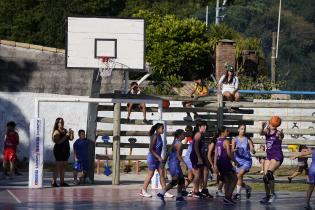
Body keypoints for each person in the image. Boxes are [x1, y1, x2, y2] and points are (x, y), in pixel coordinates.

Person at [259, 119, 284, 204]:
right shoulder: (267, 131)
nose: (269, 125)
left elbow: (281, 136)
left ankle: (273, 194)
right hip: (269, 156)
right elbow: (261, 133)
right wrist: (262, 127)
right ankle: (267, 196)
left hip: (277, 155)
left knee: (269, 174)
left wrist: (281, 134)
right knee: (265, 177)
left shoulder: (278, 132)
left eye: (270, 123)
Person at [140, 123, 166, 201]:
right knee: (150, 175)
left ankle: (164, 191)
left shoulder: (160, 136)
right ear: (158, 129)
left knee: (162, 174)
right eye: (162, 128)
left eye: (163, 128)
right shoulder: (155, 136)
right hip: (152, 158)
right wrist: (159, 157)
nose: (163, 129)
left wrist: (159, 158)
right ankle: (143, 191)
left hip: (158, 158)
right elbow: (151, 149)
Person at [213, 126, 237, 205]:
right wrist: (235, 161)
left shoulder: (218, 140)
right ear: (223, 132)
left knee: (227, 180)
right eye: (227, 131)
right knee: (234, 178)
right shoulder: (226, 141)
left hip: (220, 163)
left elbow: (216, 154)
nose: (228, 132)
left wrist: (215, 164)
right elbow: (229, 154)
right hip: (225, 162)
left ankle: (227, 198)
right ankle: (228, 196)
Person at [163, 129, 187, 203]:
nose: (185, 135)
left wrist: (164, 160)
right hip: (174, 164)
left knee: (182, 180)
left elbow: (168, 152)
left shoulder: (175, 142)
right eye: (183, 134)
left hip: (173, 163)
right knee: (175, 181)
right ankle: (161, 193)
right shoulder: (179, 143)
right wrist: (184, 163)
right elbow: (178, 155)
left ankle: (179, 196)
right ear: (180, 135)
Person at [232, 124, 255, 200]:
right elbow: (232, 150)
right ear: (238, 130)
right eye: (241, 129)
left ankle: (237, 194)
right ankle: (247, 188)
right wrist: (234, 150)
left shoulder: (248, 139)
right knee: (239, 177)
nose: (243, 130)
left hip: (246, 161)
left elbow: (252, 149)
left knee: (238, 176)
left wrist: (252, 150)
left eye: (244, 129)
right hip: (238, 161)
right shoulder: (234, 139)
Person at [189, 121, 210, 198]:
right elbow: (195, 147)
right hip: (195, 156)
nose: (205, 128)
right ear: (199, 127)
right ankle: (195, 191)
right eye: (203, 126)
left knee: (201, 174)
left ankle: (198, 190)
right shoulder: (198, 134)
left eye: (205, 126)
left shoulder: (201, 135)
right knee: (197, 174)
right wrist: (198, 158)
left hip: (199, 155)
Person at [51, 117, 74, 187]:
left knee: (64, 166)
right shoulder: (56, 131)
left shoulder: (65, 130)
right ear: (57, 123)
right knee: (58, 166)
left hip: (66, 150)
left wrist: (71, 133)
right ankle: (53, 182)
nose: (62, 123)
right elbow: (58, 142)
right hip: (59, 150)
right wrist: (66, 136)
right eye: (61, 122)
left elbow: (71, 139)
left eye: (63, 122)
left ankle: (62, 182)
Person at [208, 132, 224, 197]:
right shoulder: (213, 143)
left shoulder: (219, 143)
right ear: (217, 137)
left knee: (220, 176)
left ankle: (219, 190)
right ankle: (219, 190)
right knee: (221, 175)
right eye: (220, 137)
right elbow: (208, 155)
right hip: (212, 161)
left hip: (217, 161)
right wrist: (212, 164)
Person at [182, 125, 194, 196]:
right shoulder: (190, 136)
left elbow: (185, 142)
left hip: (190, 157)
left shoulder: (191, 136)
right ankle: (195, 190)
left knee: (191, 177)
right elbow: (185, 142)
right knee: (196, 174)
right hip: (189, 158)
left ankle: (183, 189)